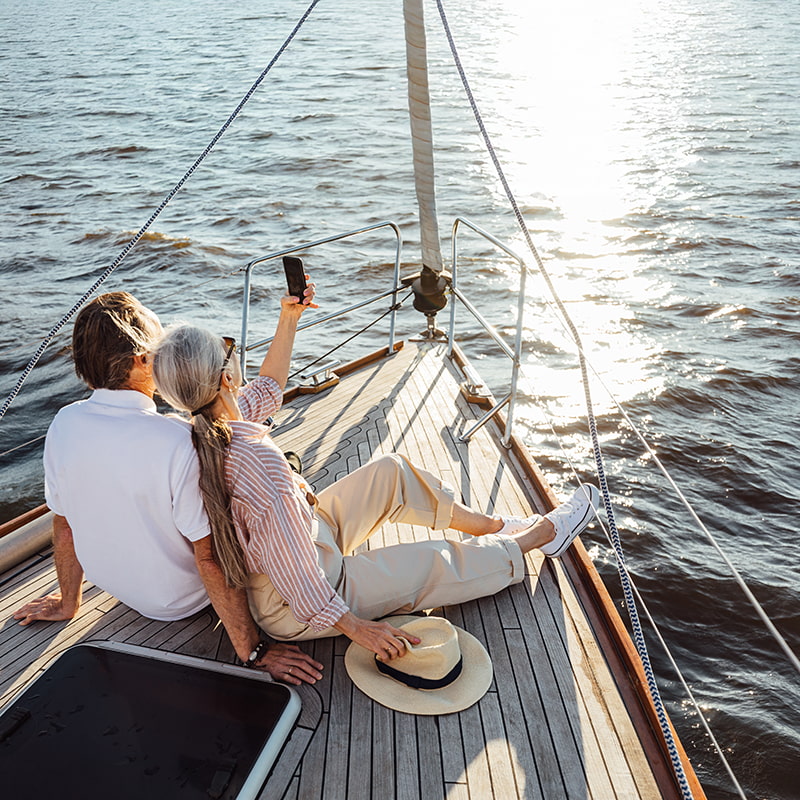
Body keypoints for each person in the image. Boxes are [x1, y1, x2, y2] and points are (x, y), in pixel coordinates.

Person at [151, 279, 602, 668]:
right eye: (227, 351)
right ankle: (538, 537)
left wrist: (289, 317)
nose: (235, 358)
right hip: (299, 598)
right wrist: (355, 627)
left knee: (391, 472)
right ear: (225, 379)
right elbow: (297, 576)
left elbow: (266, 390)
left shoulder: (207, 425)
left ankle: (495, 526)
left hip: (305, 542)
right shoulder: (259, 464)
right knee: (431, 562)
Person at [12, 291, 324, 685]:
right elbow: (209, 558)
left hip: (119, 590)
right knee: (273, 478)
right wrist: (252, 651)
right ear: (143, 361)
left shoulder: (64, 423)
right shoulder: (178, 441)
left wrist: (67, 602)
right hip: (181, 600)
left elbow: (64, 523)